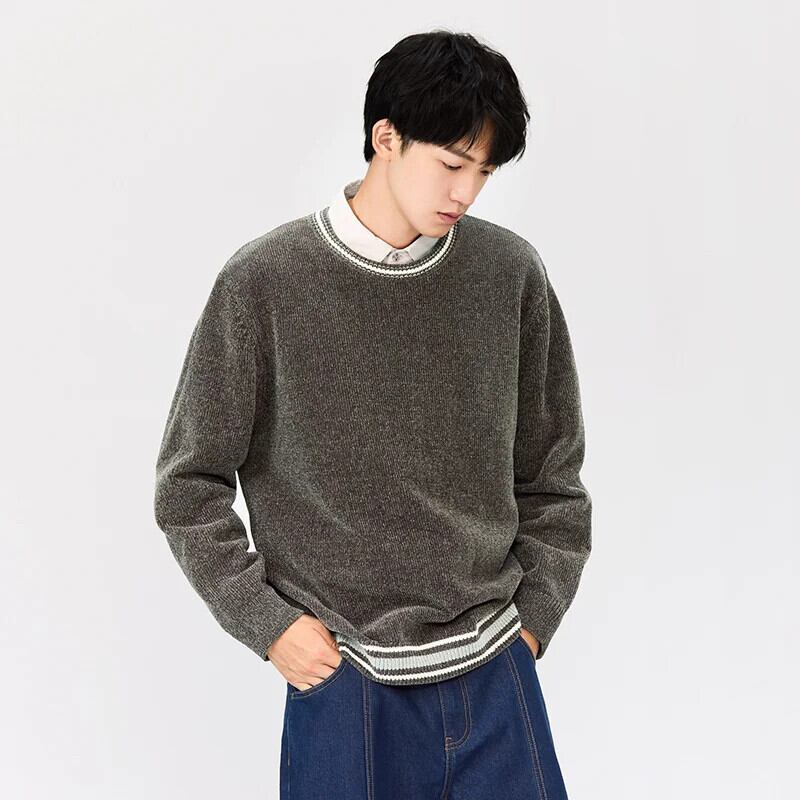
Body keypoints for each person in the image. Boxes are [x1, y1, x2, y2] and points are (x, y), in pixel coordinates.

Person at [154, 29, 592, 799]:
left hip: (495, 670)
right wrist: (270, 625)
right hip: (347, 682)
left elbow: (553, 477)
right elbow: (188, 486)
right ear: (385, 138)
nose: (467, 192)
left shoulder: (509, 274)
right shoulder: (264, 283)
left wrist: (531, 623)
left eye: (484, 171)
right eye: (452, 164)